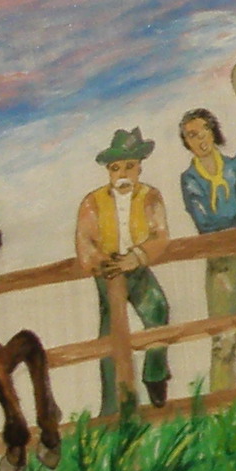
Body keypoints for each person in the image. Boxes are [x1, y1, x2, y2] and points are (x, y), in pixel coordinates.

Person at [73, 128, 175, 414]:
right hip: (108, 272)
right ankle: (112, 406)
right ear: (109, 171)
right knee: (110, 336)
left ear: (139, 167)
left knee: (158, 310)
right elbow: (84, 242)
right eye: (116, 168)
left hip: (137, 267)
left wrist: (137, 256)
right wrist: (104, 262)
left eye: (129, 166)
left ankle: (155, 375)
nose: (123, 174)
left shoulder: (150, 196)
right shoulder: (93, 201)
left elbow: (161, 235)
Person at [177, 93, 236, 395]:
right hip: (220, 259)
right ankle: (223, 402)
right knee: (223, 336)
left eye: (203, 131)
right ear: (186, 142)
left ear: (213, 131)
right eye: (191, 135)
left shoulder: (230, 168)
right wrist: (232, 225)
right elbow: (205, 220)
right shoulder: (190, 179)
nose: (199, 139)